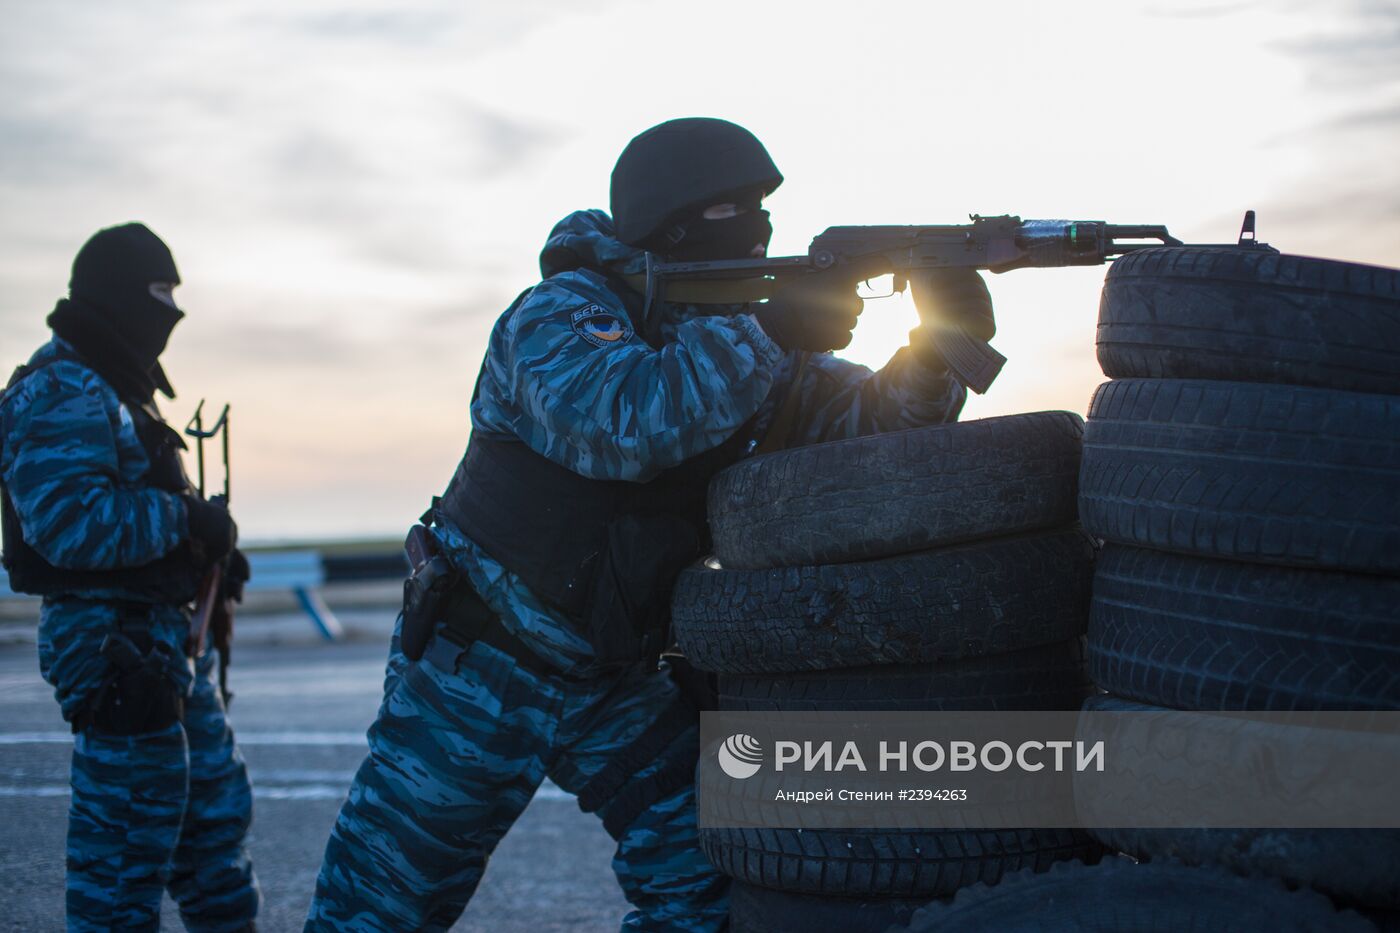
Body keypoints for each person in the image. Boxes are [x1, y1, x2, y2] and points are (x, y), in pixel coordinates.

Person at [305, 117, 993, 932]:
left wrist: (944, 345)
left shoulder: (750, 344)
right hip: (482, 662)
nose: (762, 227)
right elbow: (626, 423)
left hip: (613, 680)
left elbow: (866, 436)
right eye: (731, 209)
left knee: (713, 891)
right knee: (375, 913)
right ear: (670, 223)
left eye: (763, 207)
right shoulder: (558, 316)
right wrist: (772, 330)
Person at [0, 223, 261, 932]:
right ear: (117, 295)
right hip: (117, 653)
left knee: (212, 835)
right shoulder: (63, 387)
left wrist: (205, 555)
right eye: (157, 294)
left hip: (165, 645)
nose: (170, 312)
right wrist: (184, 523)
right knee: (119, 868)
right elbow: (69, 523)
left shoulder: (116, 387)